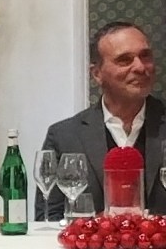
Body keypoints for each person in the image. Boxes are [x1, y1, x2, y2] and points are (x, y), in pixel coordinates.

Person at [36, 21, 166, 219]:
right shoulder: (65, 137)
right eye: (125, 60)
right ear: (97, 74)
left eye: (145, 56)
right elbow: (48, 217)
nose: (140, 67)